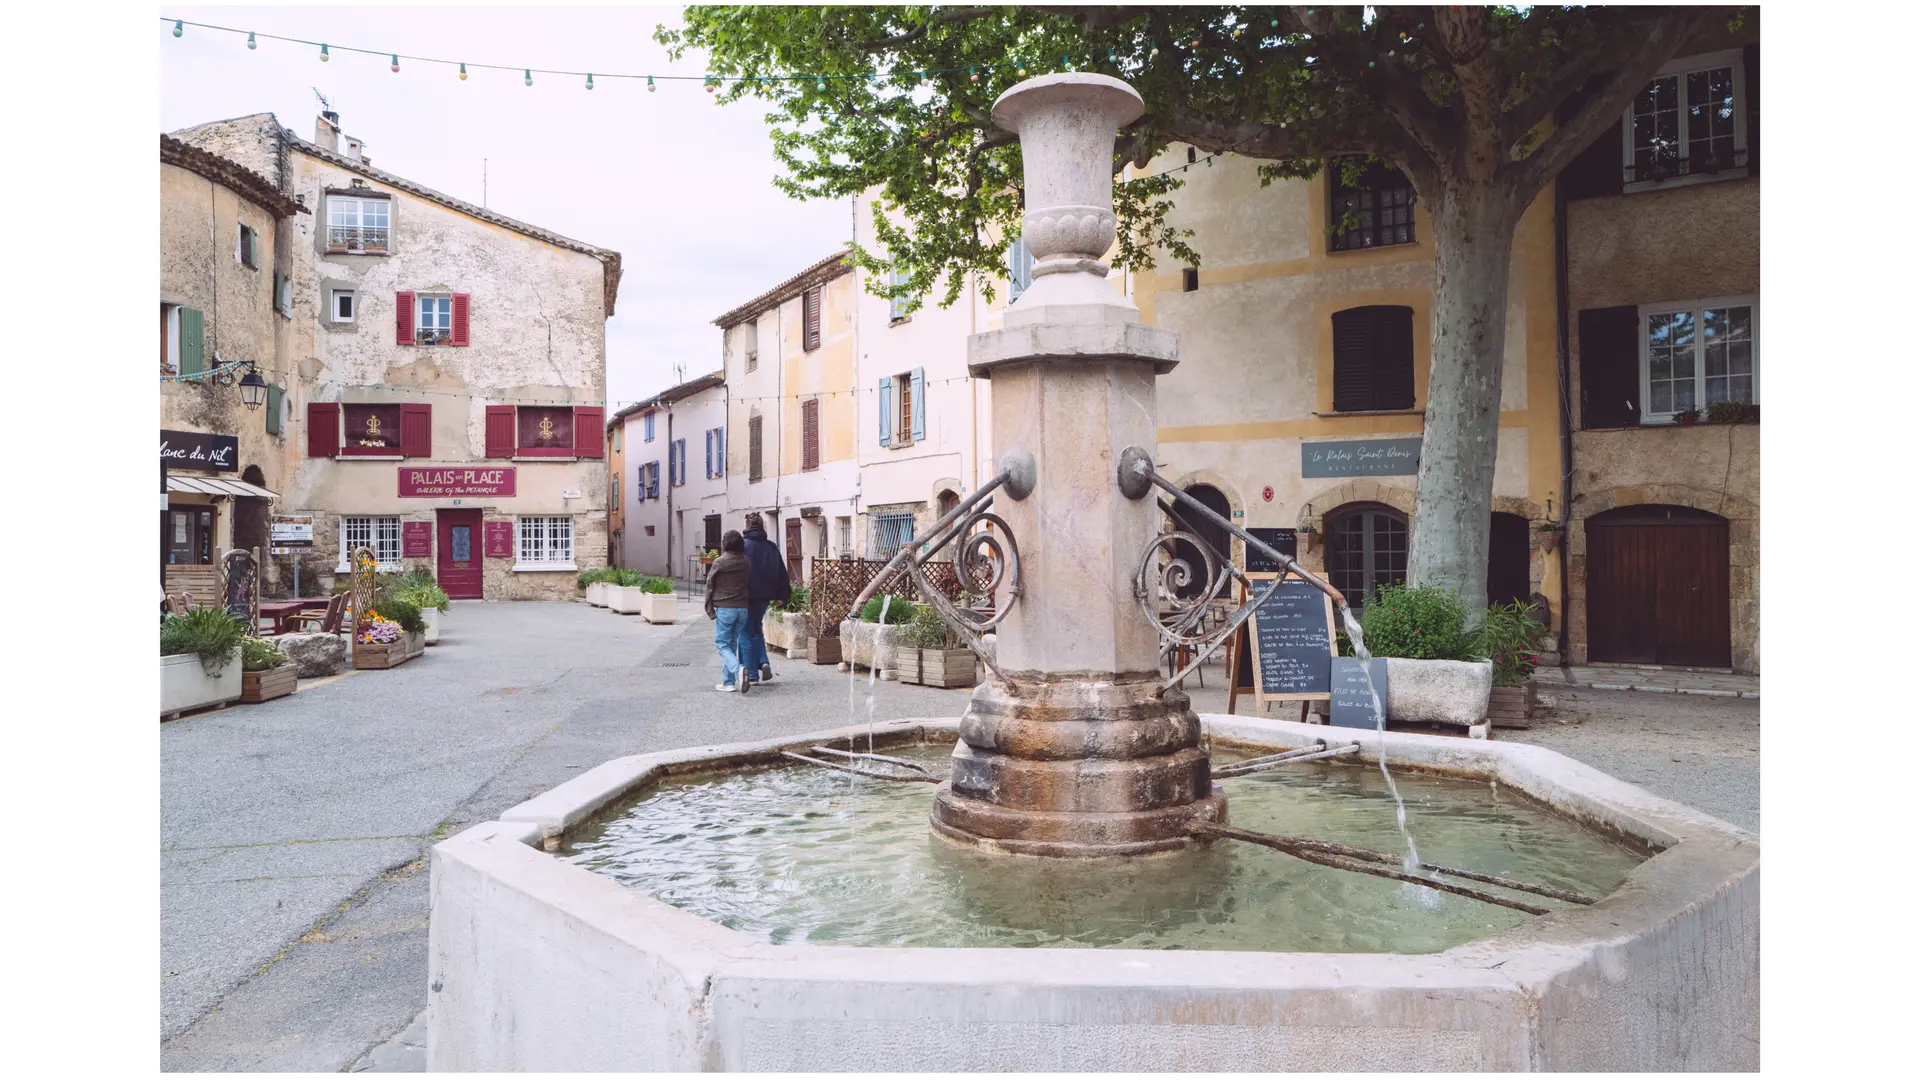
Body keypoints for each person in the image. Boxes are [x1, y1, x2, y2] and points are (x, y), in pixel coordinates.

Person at [740, 511, 792, 684]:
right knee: (756, 629)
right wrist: (781, 595)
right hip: (765, 596)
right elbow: (781, 571)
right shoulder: (771, 546)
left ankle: (751, 674)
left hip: (745, 595)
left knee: (745, 632)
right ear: (762, 526)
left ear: (747, 526)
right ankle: (762, 661)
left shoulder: (742, 546)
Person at [704, 530, 751, 694]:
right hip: (743, 608)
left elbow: (710, 584)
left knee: (722, 644)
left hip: (725, 608)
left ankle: (738, 670)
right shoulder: (745, 561)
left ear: (725, 544)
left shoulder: (720, 562)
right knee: (731, 644)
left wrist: (709, 608)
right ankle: (728, 682)